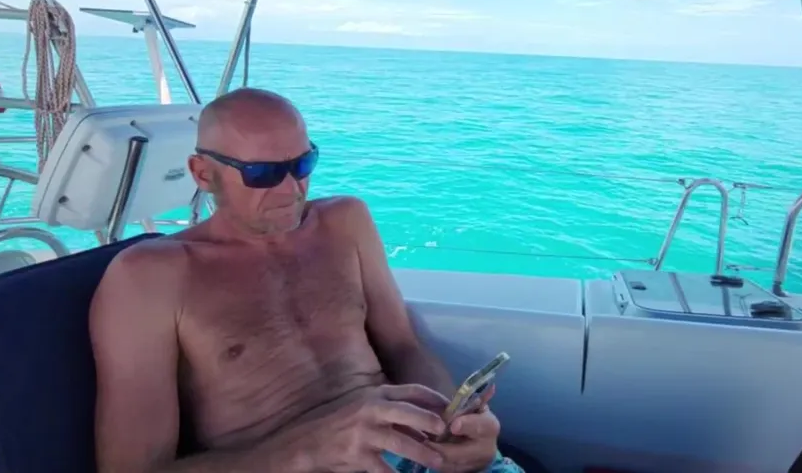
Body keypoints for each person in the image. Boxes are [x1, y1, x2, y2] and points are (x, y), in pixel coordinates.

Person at [89, 88, 524, 473]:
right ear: (203, 173)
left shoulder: (345, 222)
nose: (291, 190)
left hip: (409, 451)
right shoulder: (151, 277)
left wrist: (452, 426)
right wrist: (307, 451)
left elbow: (403, 345)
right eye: (262, 174)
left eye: (302, 164)